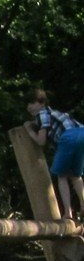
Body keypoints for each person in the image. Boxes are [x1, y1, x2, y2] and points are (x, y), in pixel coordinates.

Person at [25, 89, 84, 221]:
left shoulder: (42, 114)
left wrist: (29, 130)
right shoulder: (54, 113)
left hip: (68, 137)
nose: (28, 107)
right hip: (82, 133)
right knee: (75, 175)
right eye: (27, 104)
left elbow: (41, 141)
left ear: (42, 103)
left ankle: (68, 213)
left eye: (32, 103)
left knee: (61, 176)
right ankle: (83, 203)